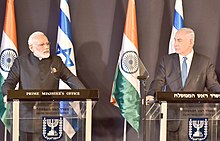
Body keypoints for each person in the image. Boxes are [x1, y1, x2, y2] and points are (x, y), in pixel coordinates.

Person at [2, 31, 86, 141]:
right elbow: (9, 83)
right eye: (41, 45)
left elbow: (70, 78)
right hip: (27, 117)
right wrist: (8, 94)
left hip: (50, 118)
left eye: (47, 44)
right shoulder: (21, 62)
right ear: (31, 47)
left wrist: (85, 93)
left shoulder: (56, 61)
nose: (46, 47)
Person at [146, 28, 220, 140]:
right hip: (172, 120)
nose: (175, 44)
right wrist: (151, 94)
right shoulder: (167, 61)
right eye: (175, 40)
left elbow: (213, 85)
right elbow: (158, 81)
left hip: (195, 120)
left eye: (179, 40)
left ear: (191, 42)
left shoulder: (205, 62)